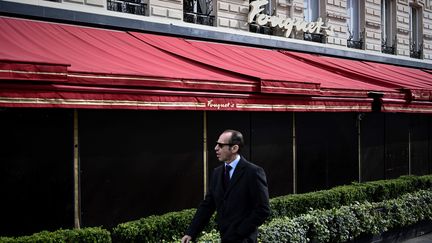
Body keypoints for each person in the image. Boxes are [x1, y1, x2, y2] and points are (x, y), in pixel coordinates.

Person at [181, 129, 270, 243]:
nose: (216, 148)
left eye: (221, 145)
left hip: (244, 239)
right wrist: (191, 232)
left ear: (234, 148)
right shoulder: (217, 173)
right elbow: (208, 205)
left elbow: (263, 209)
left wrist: (240, 232)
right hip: (225, 238)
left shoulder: (253, 172)